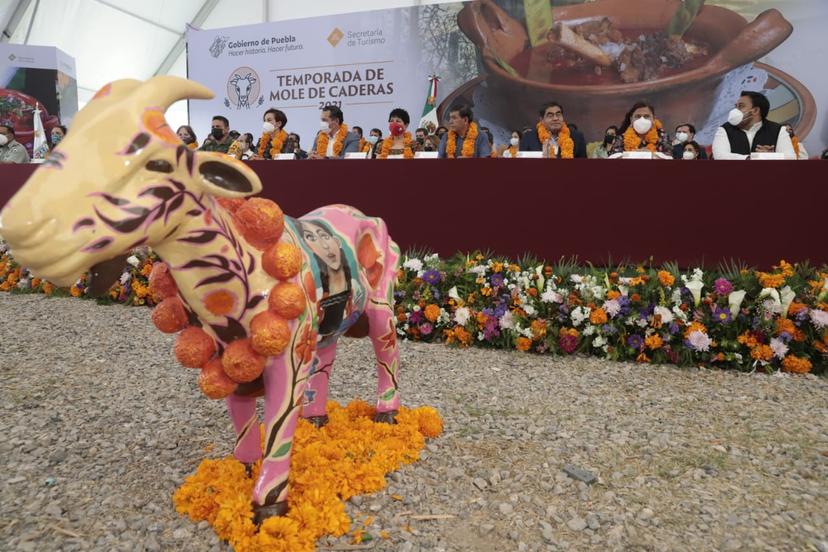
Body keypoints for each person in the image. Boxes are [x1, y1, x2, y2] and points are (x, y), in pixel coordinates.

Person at [712, 91, 795, 160]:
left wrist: (770, 156)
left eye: (741, 106)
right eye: (736, 107)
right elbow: (720, 156)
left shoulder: (778, 130)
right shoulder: (724, 129)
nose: (736, 111)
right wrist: (753, 158)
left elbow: (791, 157)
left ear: (755, 110)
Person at [520, 102, 587, 158]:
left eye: (558, 114)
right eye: (550, 116)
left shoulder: (577, 137)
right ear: (542, 120)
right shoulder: (528, 138)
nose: (555, 118)